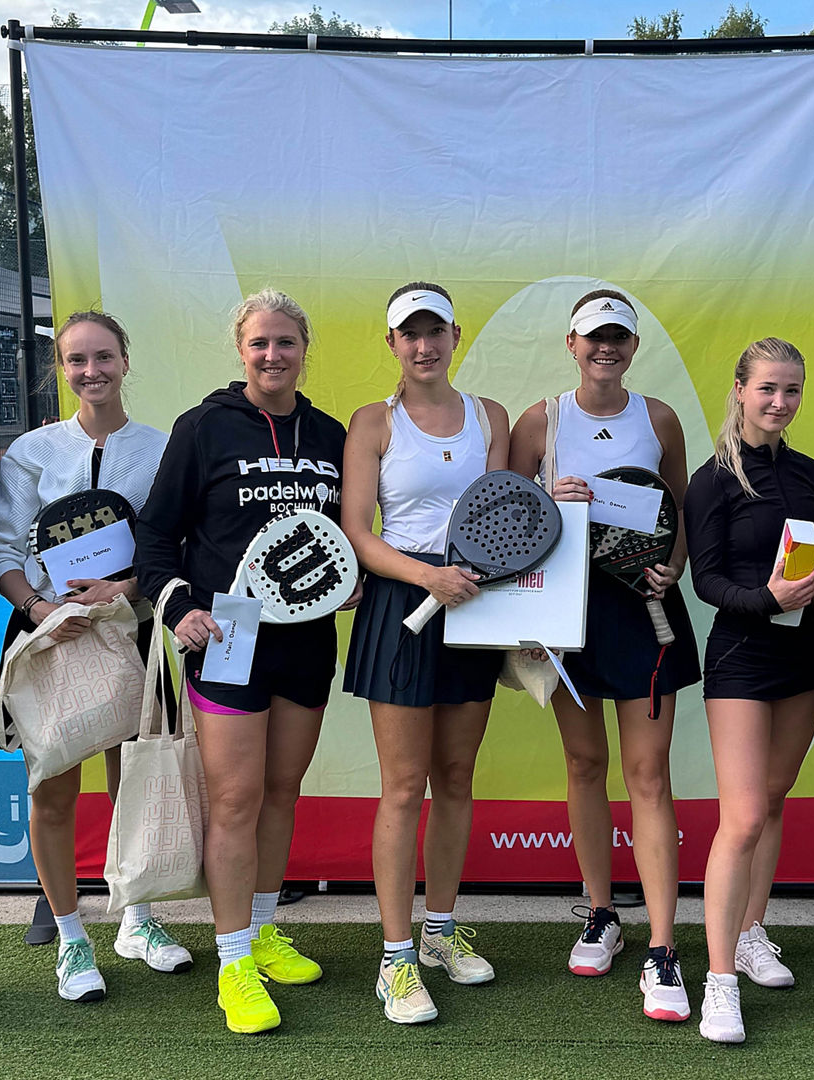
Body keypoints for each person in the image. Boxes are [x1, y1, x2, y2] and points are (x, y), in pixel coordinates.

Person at [134, 288, 350, 1035]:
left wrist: (345, 584)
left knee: (281, 792)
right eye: (259, 342)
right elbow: (155, 537)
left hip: (307, 638)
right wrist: (177, 606)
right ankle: (232, 962)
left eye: (285, 342)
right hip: (229, 632)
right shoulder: (203, 428)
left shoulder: (330, 433)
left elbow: (343, 539)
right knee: (233, 800)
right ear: (240, 348)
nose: (272, 355)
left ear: (303, 347)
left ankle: (260, 930)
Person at [0, 310, 190, 1003]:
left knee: (134, 778)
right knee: (52, 791)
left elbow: (173, 548)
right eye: (77, 360)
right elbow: (2, 554)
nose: (91, 371)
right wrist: (40, 609)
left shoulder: (162, 451)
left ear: (125, 362)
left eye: (104, 357)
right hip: (51, 641)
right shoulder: (31, 453)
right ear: (61, 369)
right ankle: (73, 941)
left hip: (133, 633)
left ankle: (136, 917)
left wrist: (125, 588)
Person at [509, 288, 700, 1021]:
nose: (605, 348)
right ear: (571, 344)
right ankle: (601, 913)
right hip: (566, 613)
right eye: (593, 337)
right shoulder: (541, 421)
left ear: (632, 345)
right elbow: (507, 513)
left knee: (648, 776)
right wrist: (545, 496)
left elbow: (679, 507)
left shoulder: (658, 419)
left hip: (644, 611)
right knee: (586, 765)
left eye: (618, 337)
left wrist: (673, 564)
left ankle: (662, 947)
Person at [340, 282, 509, 1025]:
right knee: (405, 787)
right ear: (392, 344)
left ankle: (440, 932)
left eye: (434, 330)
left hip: (473, 608)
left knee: (457, 776)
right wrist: (425, 576)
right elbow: (357, 531)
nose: (423, 344)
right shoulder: (371, 423)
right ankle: (396, 959)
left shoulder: (491, 418)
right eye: (409, 333)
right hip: (400, 605)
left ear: (454, 334)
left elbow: (505, 512)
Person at [683, 338, 814, 1044]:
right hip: (741, 655)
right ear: (739, 388)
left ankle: (750, 931)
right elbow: (706, 580)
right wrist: (765, 598)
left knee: (773, 801)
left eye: (791, 390)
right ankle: (718, 983)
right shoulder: (712, 479)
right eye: (767, 388)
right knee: (740, 818)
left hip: (803, 660)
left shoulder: (810, 474)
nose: (779, 401)